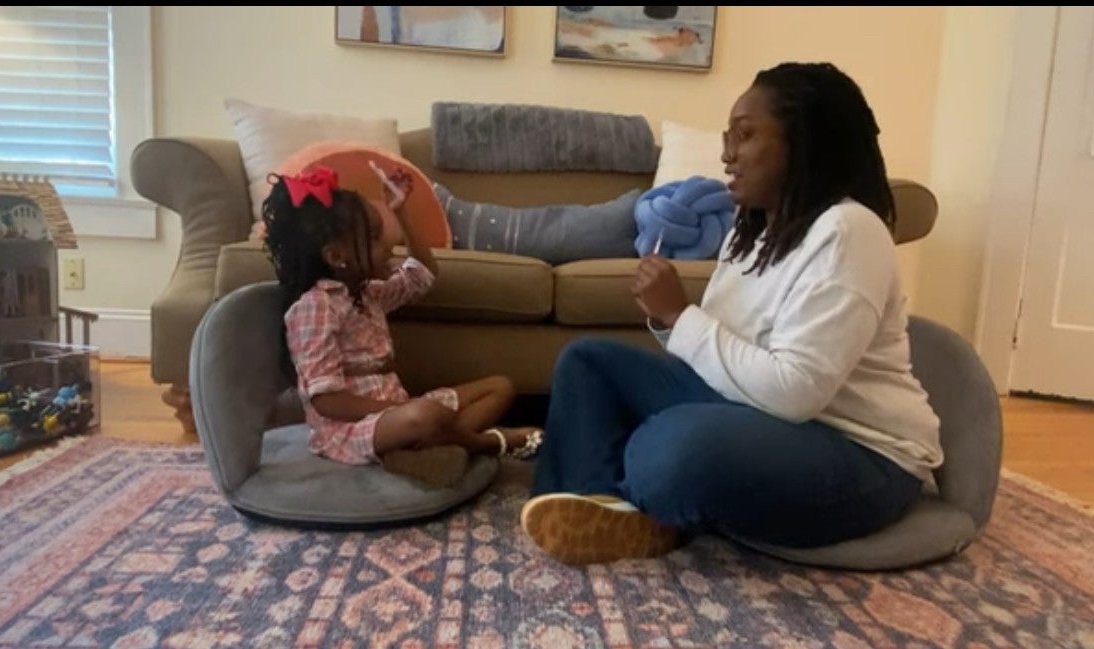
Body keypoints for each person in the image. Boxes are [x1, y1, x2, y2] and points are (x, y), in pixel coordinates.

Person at [520, 61, 943, 565]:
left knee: (666, 451)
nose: (726, 155)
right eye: (728, 137)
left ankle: (641, 494)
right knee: (587, 362)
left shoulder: (850, 231)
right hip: (761, 416)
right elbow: (723, 357)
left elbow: (794, 392)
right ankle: (605, 510)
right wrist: (668, 318)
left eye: (744, 135)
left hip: (857, 453)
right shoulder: (754, 232)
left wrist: (682, 316)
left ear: (804, 142)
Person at [261, 162, 542, 488]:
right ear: (337, 256)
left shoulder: (368, 294)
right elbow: (327, 402)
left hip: (400, 414)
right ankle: (487, 443)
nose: (388, 246)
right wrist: (401, 408)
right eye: (375, 238)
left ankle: (425, 448)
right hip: (350, 427)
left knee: (500, 387)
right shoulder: (314, 307)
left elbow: (422, 273)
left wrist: (402, 211)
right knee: (426, 416)